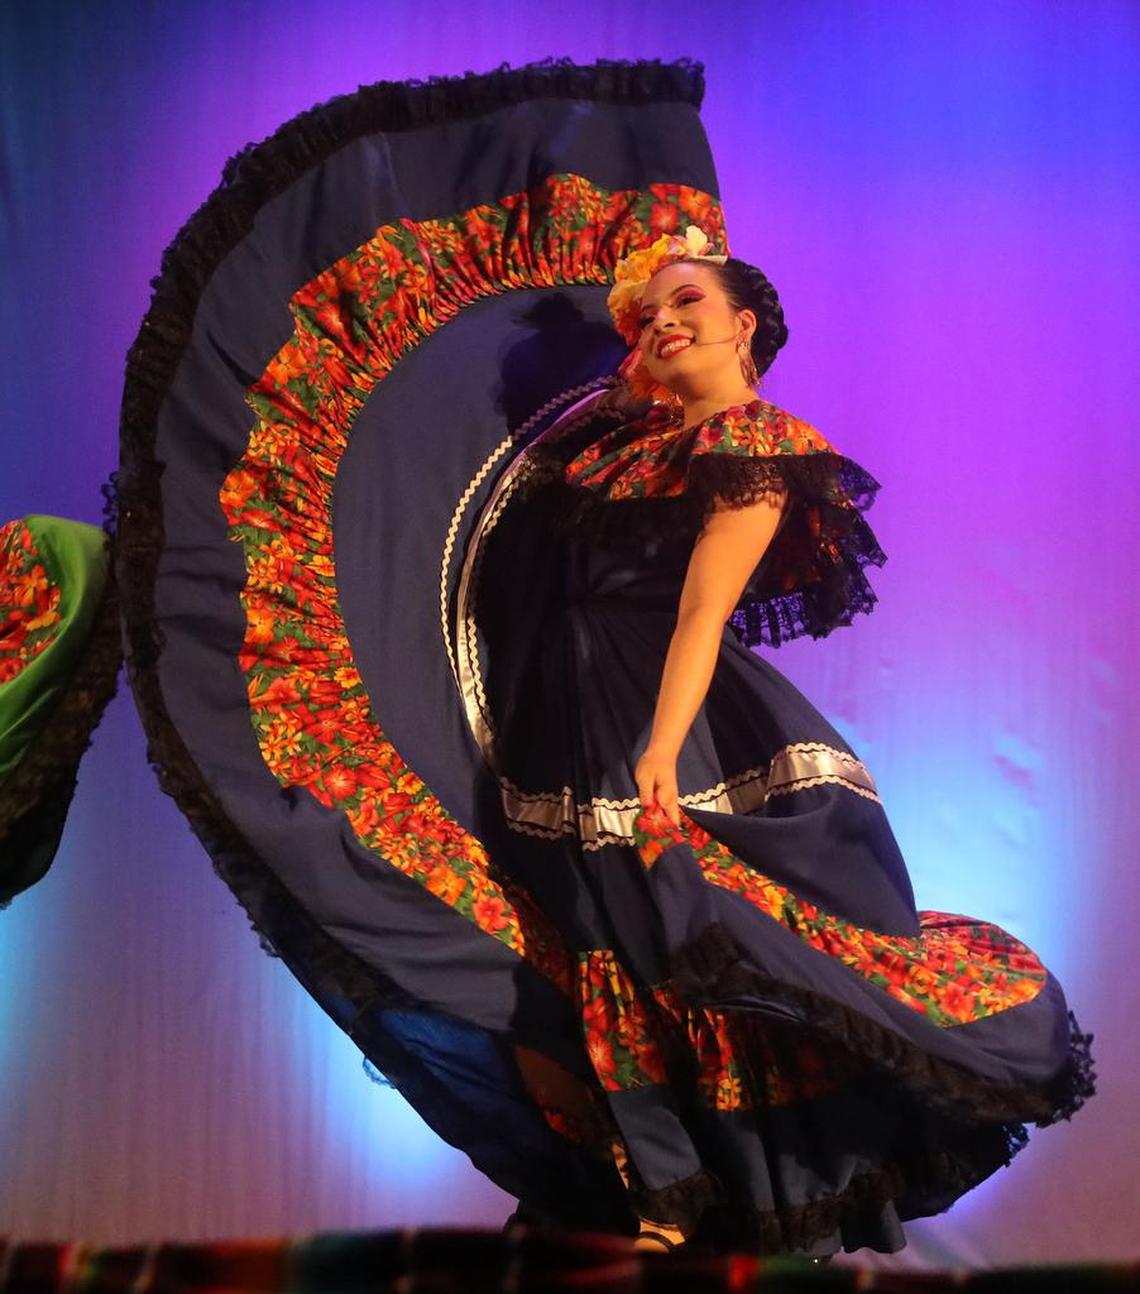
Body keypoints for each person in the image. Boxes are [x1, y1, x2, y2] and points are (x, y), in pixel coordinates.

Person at [109, 59, 1094, 1261]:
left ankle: (692, 1190)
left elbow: (697, 617)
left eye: (688, 302)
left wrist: (660, 753)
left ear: (744, 322)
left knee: (668, 945)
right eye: (649, 314)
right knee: (589, 958)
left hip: (656, 723)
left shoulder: (757, 445)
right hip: (561, 730)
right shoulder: (619, 442)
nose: (663, 323)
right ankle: (647, 1183)